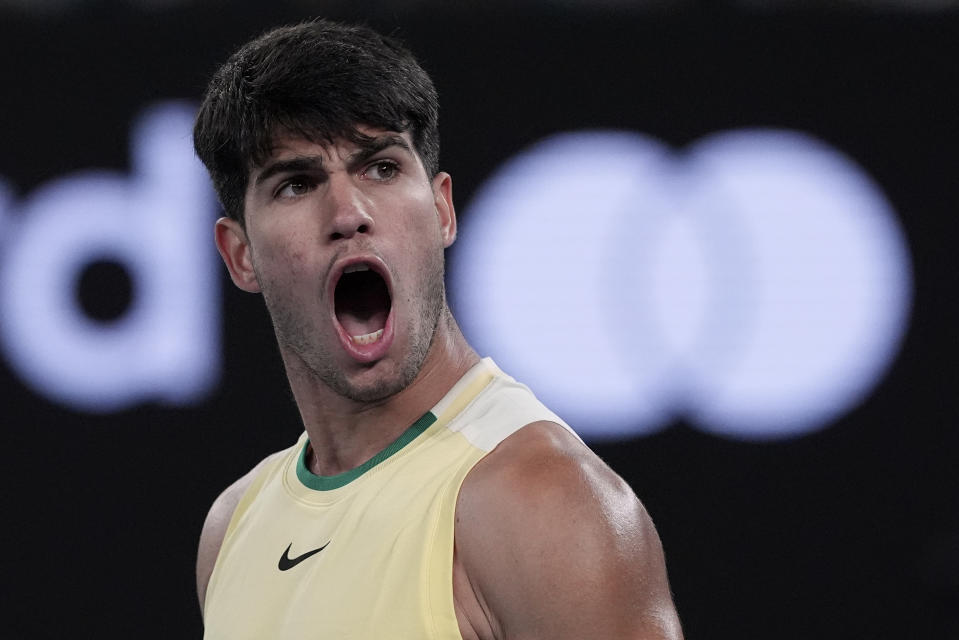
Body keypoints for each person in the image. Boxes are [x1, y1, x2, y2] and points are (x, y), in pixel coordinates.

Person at [192, 18, 683, 639]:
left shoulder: (543, 502)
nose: (349, 213)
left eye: (381, 169)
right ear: (239, 255)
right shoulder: (234, 526)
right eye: (297, 183)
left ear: (443, 208)